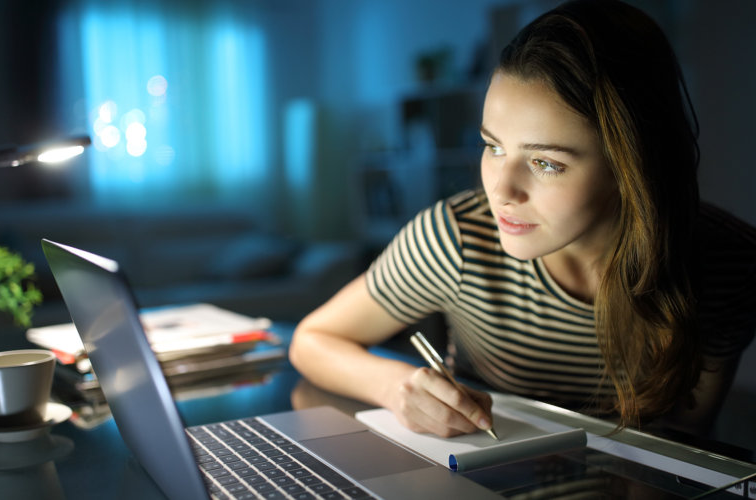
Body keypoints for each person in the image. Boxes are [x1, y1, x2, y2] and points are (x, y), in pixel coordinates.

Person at [289, 0, 756, 439]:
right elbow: (311, 340)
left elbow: (686, 443)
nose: (501, 190)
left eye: (545, 163)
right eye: (493, 146)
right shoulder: (456, 239)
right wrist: (395, 387)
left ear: (632, 165)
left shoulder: (726, 263)